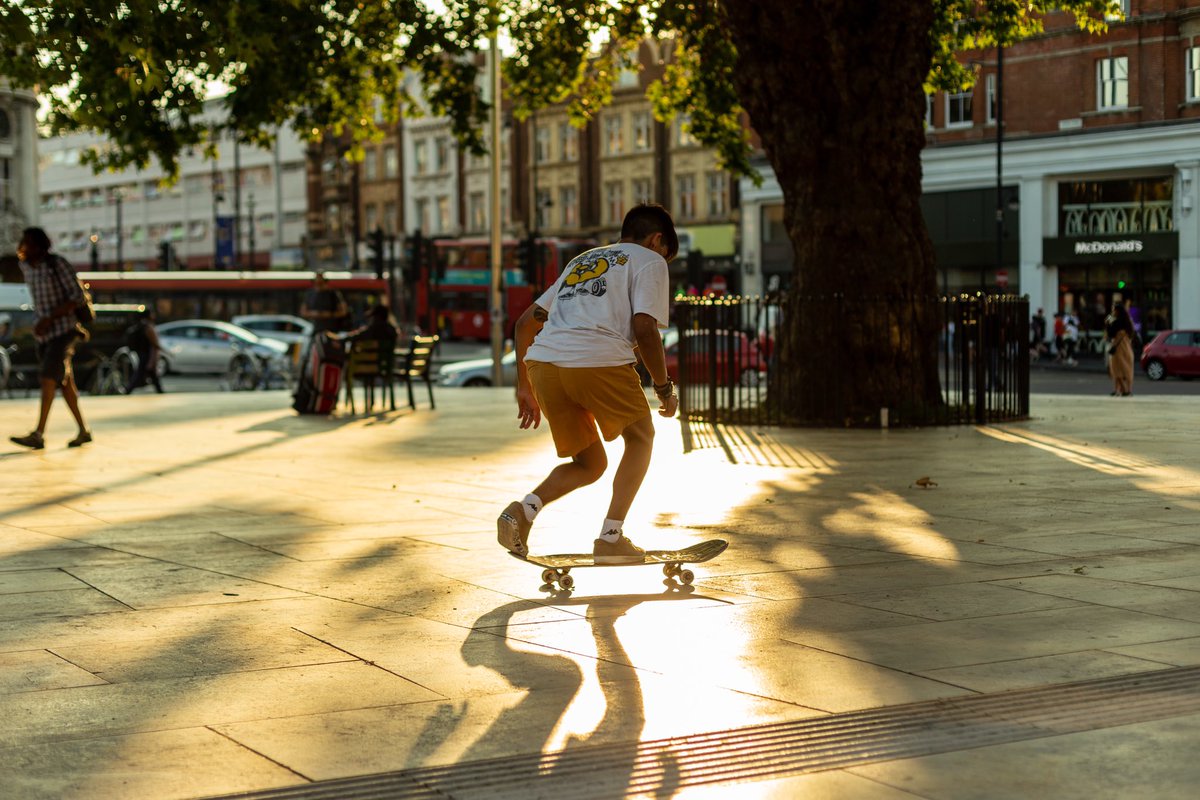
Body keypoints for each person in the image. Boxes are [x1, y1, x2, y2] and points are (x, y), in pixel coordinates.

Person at [497, 203, 680, 564]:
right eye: (666, 253)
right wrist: (663, 389)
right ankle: (611, 539)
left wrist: (524, 387)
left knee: (590, 463)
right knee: (641, 439)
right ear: (658, 239)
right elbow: (645, 328)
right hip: (598, 360)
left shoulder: (581, 262)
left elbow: (523, 325)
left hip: (544, 366)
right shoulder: (649, 260)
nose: (664, 261)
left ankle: (523, 511)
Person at [9, 227, 92, 450]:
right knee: (65, 383)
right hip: (44, 334)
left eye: (30, 243)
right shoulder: (26, 267)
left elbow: (77, 297)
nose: (26, 247)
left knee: (48, 377)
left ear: (40, 245)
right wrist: (40, 323)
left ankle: (38, 433)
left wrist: (50, 318)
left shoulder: (58, 265)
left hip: (63, 330)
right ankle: (84, 431)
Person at [125, 308, 164, 394]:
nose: (154, 315)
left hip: (143, 352)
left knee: (149, 372)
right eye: (152, 313)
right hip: (146, 353)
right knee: (141, 373)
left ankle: (159, 389)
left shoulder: (143, 325)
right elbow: (154, 341)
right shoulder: (148, 326)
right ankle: (128, 389)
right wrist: (164, 350)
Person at [1106, 301, 1136, 396]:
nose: (1112, 311)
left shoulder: (1116, 321)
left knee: (1116, 370)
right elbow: (1132, 334)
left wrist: (1108, 320)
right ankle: (1127, 390)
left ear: (1117, 310)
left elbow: (1110, 333)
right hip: (1127, 348)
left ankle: (1123, 390)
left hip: (1118, 348)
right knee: (1127, 370)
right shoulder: (1128, 321)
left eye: (1113, 309)